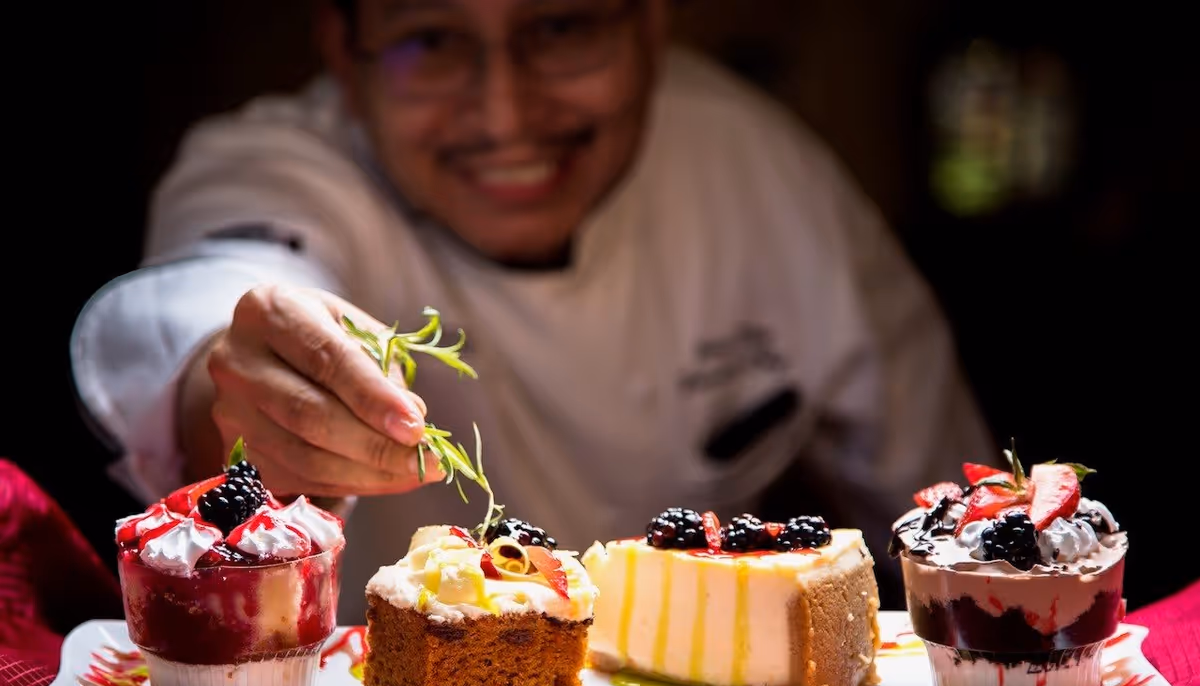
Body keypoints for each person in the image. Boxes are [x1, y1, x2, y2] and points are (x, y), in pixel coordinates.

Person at [71, 0, 998, 620]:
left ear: (650, 24)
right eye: (431, 40)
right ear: (342, 55)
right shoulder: (269, 165)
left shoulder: (761, 172)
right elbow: (212, 305)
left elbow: (960, 522)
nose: (506, 113)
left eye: (560, 26)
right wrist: (244, 390)